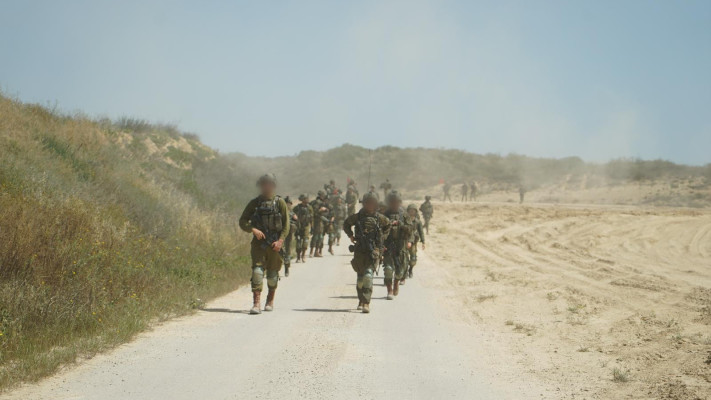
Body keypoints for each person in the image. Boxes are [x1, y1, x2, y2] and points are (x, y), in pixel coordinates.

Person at [239, 174, 290, 315]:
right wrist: (253, 229)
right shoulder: (254, 203)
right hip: (259, 245)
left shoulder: (280, 203)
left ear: (273, 185)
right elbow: (242, 221)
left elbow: (286, 225)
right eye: (263, 184)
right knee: (257, 272)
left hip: (275, 244)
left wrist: (280, 241)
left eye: (268, 184)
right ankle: (256, 303)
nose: (265, 186)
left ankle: (270, 300)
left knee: (273, 275)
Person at [343, 192, 391, 313]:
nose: (370, 205)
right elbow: (346, 224)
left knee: (368, 276)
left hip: (373, 250)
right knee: (360, 279)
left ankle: (366, 302)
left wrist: (382, 238)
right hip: (359, 250)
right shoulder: (358, 217)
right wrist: (351, 236)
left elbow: (388, 225)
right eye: (368, 202)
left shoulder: (380, 218)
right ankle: (360, 300)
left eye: (372, 203)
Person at [382, 191, 413, 300]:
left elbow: (410, 230)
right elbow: (379, 231)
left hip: (401, 246)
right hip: (389, 246)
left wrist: (401, 224)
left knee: (400, 270)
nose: (394, 204)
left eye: (396, 202)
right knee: (388, 269)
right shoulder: (384, 214)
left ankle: (396, 282)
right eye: (392, 202)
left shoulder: (404, 215)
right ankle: (389, 289)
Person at [405, 204, 425, 279]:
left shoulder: (418, 222)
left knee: (413, 259)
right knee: (405, 258)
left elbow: (421, 232)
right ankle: (405, 271)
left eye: (413, 211)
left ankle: (410, 269)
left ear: (416, 212)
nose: (412, 212)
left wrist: (423, 242)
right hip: (405, 242)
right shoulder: (404, 221)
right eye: (410, 210)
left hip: (413, 243)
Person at [292, 194, 313, 263]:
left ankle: (303, 255)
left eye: (307, 199)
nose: (307, 200)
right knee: (298, 242)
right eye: (305, 199)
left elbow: (311, 218)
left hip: (306, 226)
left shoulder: (309, 208)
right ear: (302, 200)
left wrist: (312, 227)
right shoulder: (297, 208)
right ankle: (298, 257)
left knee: (305, 242)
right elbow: (291, 214)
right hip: (298, 226)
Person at [309, 190, 330, 257]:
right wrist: (321, 210)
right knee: (317, 237)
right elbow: (315, 212)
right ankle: (313, 252)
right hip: (317, 221)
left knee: (319, 237)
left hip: (319, 221)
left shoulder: (315, 202)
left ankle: (315, 252)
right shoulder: (318, 202)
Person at [281, 196, 298, 277]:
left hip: (288, 235)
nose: (288, 205)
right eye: (287, 204)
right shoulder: (280, 212)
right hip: (280, 235)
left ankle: (286, 268)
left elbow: (296, 220)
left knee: (287, 251)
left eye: (289, 204)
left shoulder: (291, 212)